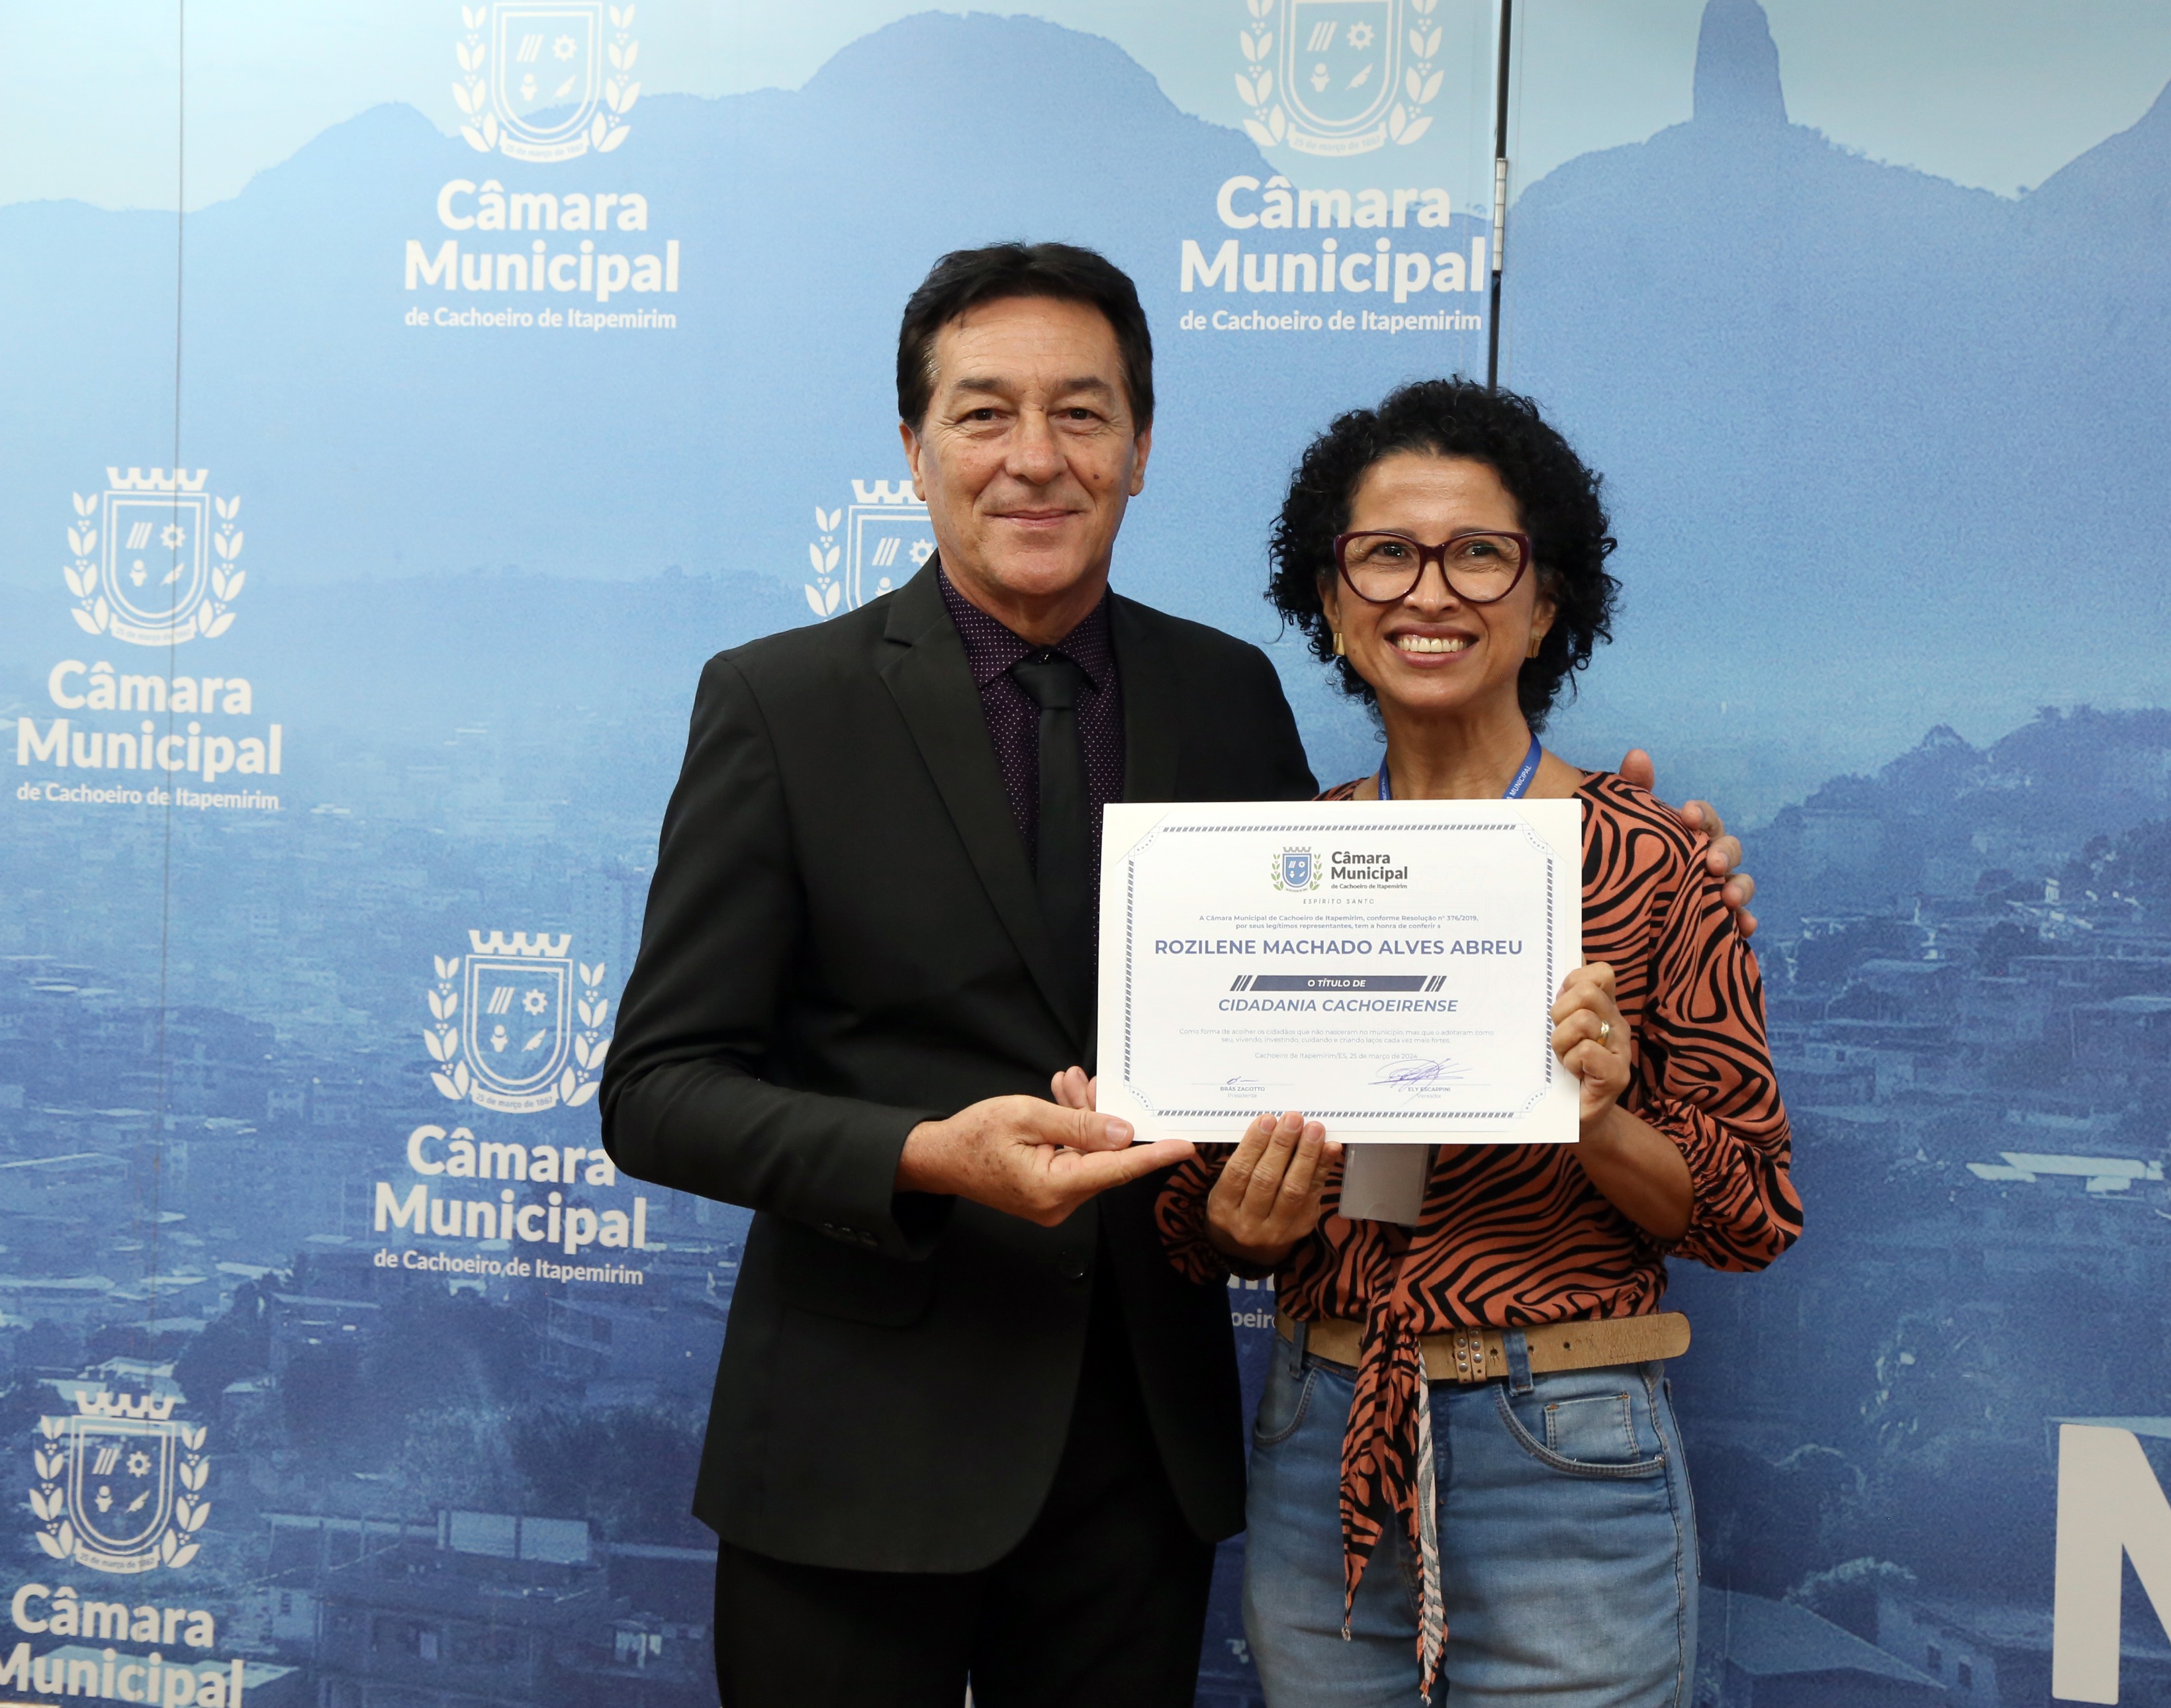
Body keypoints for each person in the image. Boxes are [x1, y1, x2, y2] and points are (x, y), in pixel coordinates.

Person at [599, 244, 1758, 1707]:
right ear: (913, 448)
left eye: (1081, 413)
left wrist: (1639, 868)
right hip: (854, 1454)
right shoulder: (779, 703)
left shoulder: (1224, 694)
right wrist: (927, 1156)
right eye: (984, 412)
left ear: (1140, 449)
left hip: (1141, 1467)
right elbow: (658, 1090)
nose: (1036, 456)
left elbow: (1336, 1012)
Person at [1146, 378, 1803, 1706]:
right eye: (1386, 553)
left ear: (1545, 601)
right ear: (1331, 600)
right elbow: (1189, 1217)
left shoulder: (1651, 862)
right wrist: (1240, 1221)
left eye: (1479, 554)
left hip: (1568, 1447)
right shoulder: (1265, 865)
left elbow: (1749, 1213)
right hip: (1320, 1433)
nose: (1428, 592)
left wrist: (1599, 1114)